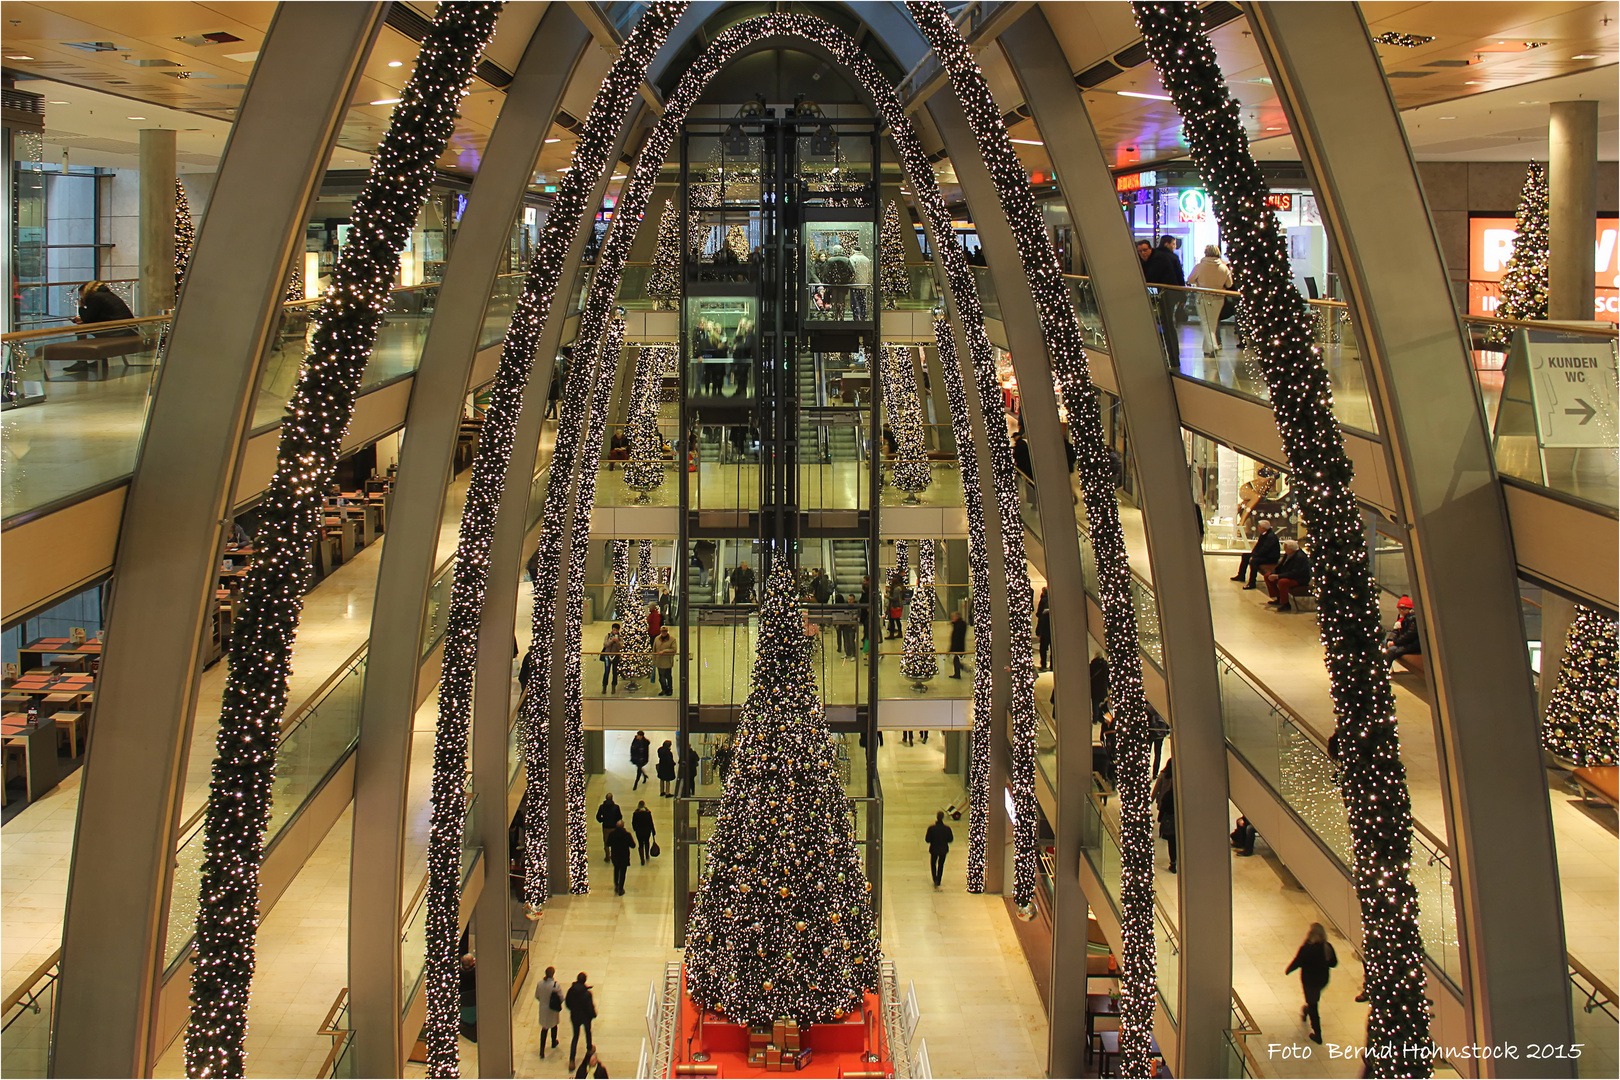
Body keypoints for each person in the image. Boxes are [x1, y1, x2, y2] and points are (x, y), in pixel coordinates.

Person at [63, 281, 138, 373]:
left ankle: (82, 361)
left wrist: (81, 307)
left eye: (80, 295)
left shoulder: (94, 297)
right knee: (95, 329)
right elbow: (102, 317)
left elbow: (88, 318)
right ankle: (101, 360)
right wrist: (84, 319)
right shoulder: (108, 295)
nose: (81, 297)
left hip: (118, 332)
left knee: (81, 330)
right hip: (128, 330)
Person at [1285, 923, 1338, 1045]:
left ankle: (1317, 1034)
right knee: (1313, 998)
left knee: (1313, 1005)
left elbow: (1298, 961)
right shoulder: (1327, 947)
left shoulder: (1307, 949)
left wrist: (1289, 970)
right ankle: (1307, 1009)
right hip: (1322, 980)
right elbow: (1333, 963)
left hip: (1309, 982)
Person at [1143, 235, 1186, 363]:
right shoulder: (1171, 258)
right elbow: (1179, 277)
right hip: (1168, 295)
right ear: (1167, 244)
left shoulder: (1154, 258)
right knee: (1167, 324)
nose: (1175, 246)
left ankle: (1161, 352)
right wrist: (1182, 295)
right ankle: (1173, 356)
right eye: (1173, 243)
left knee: (1159, 323)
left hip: (1158, 295)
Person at [1187, 244, 1233, 357]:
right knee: (1212, 322)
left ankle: (1212, 346)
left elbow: (1190, 279)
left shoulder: (1200, 267)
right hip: (1219, 297)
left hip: (1202, 297)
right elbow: (1229, 284)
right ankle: (1207, 348)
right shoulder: (1224, 267)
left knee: (1206, 322)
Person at [1265, 539, 1312, 612]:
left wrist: (1278, 576)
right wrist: (1273, 573)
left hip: (1299, 578)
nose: (1284, 549)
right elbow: (1280, 566)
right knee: (1267, 576)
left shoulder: (1300, 557)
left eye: (1285, 548)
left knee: (1283, 582)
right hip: (1288, 574)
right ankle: (1278, 597)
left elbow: (1295, 573)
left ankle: (1286, 604)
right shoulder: (1288, 554)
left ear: (1291, 549)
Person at [1231, 519, 1280, 589]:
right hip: (1264, 555)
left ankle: (1252, 583)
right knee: (1245, 556)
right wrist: (1253, 554)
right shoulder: (1264, 534)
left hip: (1270, 558)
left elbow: (1265, 549)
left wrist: (1254, 556)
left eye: (1259, 527)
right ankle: (1241, 576)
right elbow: (1258, 546)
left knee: (1254, 561)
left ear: (1263, 528)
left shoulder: (1270, 537)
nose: (1258, 528)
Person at [565, 972, 597, 1069]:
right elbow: (590, 1007)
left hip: (575, 1017)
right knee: (588, 1033)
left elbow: (567, 1003)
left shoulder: (571, 991)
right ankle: (589, 1049)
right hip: (585, 1017)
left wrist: (573, 1010)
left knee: (575, 1037)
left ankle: (572, 1060)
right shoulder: (587, 994)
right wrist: (593, 1015)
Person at [1384, 595, 1422, 668]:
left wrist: (1395, 642)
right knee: (1385, 642)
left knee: (1392, 650)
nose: (1401, 610)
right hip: (1405, 643)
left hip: (1413, 645)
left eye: (1403, 608)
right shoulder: (1402, 619)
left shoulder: (1413, 619)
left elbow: (1410, 635)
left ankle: (1383, 671)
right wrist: (1390, 640)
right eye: (1399, 609)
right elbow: (1395, 631)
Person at [1153, 760, 1177, 874]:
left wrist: (1151, 799)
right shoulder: (1178, 776)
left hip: (1164, 804)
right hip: (1174, 811)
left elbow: (1157, 788)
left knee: (1171, 841)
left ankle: (1164, 832)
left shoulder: (1163, 775)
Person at [534, 966, 563, 1058]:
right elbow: (561, 998)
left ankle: (542, 1050)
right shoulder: (555, 985)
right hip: (552, 1009)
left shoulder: (540, 984)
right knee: (554, 1025)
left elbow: (537, 995)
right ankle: (553, 1042)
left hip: (543, 1008)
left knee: (544, 1028)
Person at [925, 810, 954, 889]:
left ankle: (935, 879)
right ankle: (939, 879)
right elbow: (950, 839)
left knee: (933, 864)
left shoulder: (931, 828)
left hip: (934, 849)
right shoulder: (947, 829)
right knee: (941, 864)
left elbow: (927, 839)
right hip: (943, 849)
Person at [607, 820, 634, 894]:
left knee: (616, 870)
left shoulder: (612, 834)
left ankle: (616, 885)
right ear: (623, 826)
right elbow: (633, 845)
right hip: (624, 856)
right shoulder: (627, 835)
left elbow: (608, 843)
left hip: (615, 855)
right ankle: (621, 888)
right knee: (622, 872)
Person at [848, 239, 872, 320]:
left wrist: (849, 281)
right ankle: (863, 317)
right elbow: (869, 272)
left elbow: (852, 271)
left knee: (854, 302)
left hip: (855, 284)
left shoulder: (852, 258)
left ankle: (856, 317)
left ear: (853, 251)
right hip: (864, 284)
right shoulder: (866, 259)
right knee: (863, 302)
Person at [594, 793, 623, 863]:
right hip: (614, 827)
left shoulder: (602, 807)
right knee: (614, 842)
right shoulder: (616, 807)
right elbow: (620, 817)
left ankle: (607, 856)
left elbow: (598, 817)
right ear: (612, 798)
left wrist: (602, 820)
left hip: (606, 827)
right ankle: (614, 855)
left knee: (606, 842)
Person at [457, 954, 479, 1042]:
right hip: (473, 1000)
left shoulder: (458, 972)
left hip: (463, 1001)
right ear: (471, 963)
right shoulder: (475, 973)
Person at [632, 799, 656, 865]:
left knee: (640, 844)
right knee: (646, 842)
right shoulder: (648, 813)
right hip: (647, 831)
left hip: (639, 832)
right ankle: (647, 855)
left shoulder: (636, 814)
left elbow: (633, 823)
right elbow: (651, 823)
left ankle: (642, 859)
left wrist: (635, 829)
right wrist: (653, 831)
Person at [653, 630, 677, 696]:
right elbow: (654, 650)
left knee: (668, 676)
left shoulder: (672, 639)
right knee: (661, 678)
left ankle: (670, 689)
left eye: (665, 631)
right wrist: (654, 660)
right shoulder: (657, 639)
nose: (663, 633)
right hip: (659, 661)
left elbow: (674, 650)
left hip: (667, 662)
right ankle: (664, 689)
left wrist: (664, 651)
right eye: (662, 631)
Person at [600, 624, 622, 693]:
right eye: (614, 629)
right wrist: (611, 641)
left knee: (615, 672)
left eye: (616, 630)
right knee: (606, 672)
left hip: (615, 656)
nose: (615, 631)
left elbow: (620, 647)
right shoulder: (608, 636)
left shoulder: (620, 637)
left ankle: (613, 687)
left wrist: (617, 642)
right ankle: (604, 687)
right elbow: (605, 644)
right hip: (607, 655)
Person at [948, 611, 969, 678]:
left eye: (953, 617)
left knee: (956, 660)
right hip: (958, 646)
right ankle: (958, 673)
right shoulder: (960, 624)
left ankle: (962, 670)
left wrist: (952, 648)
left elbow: (957, 637)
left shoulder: (960, 625)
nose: (952, 618)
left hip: (958, 646)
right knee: (956, 660)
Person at [1035, 602, 1052, 672]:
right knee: (1053, 650)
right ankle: (1053, 665)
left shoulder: (1044, 615)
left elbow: (1040, 623)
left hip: (1044, 634)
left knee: (1043, 649)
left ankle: (1043, 665)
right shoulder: (1054, 615)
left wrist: (1038, 633)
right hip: (1051, 634)